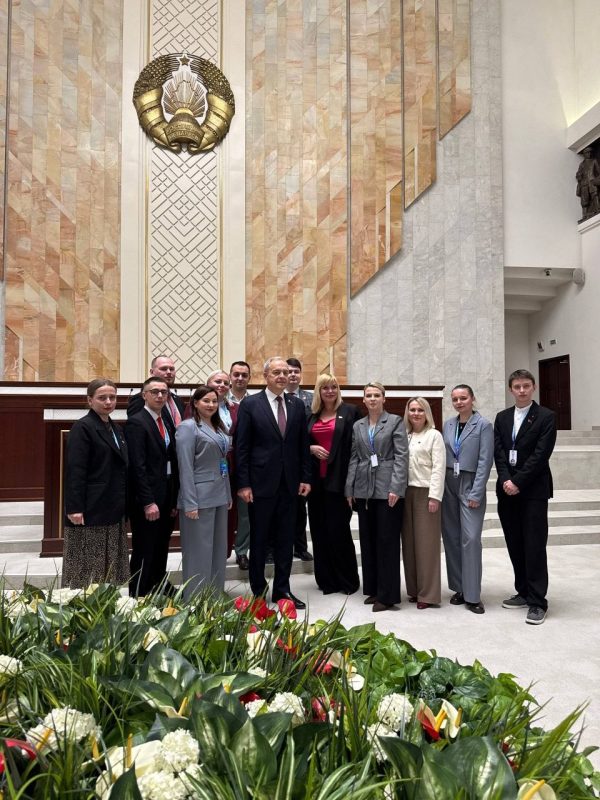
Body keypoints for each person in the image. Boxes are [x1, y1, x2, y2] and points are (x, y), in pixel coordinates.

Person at [236, 356, 312, 609]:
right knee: (259, 539)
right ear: (265, 376)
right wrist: (244, 484)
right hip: (259, 485)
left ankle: (282, 590)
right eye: (276, 372)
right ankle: (258, 591)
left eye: (285, 372)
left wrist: (305, 477)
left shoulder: (297, 405)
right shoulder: (250, 404)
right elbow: (242, 447)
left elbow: (302, 445)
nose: (282, 376)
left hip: (290, 484)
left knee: (285, 540)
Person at [494, 369, 557, 625]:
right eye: (517, 386)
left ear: (534, 388)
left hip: (533, 491)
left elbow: (541, 454)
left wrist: (517, 481)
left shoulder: (546, 416)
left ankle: (538, 601)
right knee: (515, 543)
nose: (522, 390)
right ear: (510, 389)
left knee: (534, 545)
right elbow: (499, 452)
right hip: (506, 490)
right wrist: (506, 480)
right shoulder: (502, 417)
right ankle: (522, 591)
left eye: (526, 386)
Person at [345, 382, 408, 612]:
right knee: (368, 541)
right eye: (368, 395)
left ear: (384, 398)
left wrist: (396, 487)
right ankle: (373, 589)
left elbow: (401, 456)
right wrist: (350, 488)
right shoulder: (358, 425)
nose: (372, 399)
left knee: (387, 542)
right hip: (363, 489)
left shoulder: (394, 422)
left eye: (376, 395)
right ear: (363, 399)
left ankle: (388, 595)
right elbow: (354, 457)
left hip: (386, 488)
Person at [63, 379, 130, 587]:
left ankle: (107, 602)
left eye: (112, 397)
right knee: (88, 565)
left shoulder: (115, 428)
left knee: (110, 565)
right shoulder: (83, 427)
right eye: (102, 398)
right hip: (91, 508)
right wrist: (74, 507)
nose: (108, 402)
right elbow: (75, 470)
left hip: (113, 505)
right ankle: (83, 604)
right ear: (90, 400)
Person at [125, 377, 179, 597]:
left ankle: (157, 585)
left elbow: (172, 460)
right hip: (147, 498)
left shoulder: (165, 421)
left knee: (161, 545)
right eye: (154, 391)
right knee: (144, 547)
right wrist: (148, 502)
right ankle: (138, 593)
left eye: (164, 392)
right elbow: (137, 467)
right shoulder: (136, 422)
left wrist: (173, 499)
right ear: (144, 395)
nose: (159, 396)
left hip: (166, 493)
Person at [176, 386, 232, 598]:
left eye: (214, 401)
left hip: (219, 495)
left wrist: (227, 494)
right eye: (206, 401)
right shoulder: (188, 427)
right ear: (195, 403)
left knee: (218, 552)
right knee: (199, 553)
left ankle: (214, 599)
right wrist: (190, 503)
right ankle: (195, 602)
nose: (210, 405)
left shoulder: (218, 427)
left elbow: (222, 463)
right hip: (198, 498)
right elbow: (185, 467)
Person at [442, 385, 494, 614]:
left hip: (470, 482)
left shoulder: (483, 425)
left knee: (471, 539)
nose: (459, 402)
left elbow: (485, 461)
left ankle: (473, 595)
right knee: (452, 537)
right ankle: (459, 588)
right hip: (448, 482)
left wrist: (477, 492)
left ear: (473, 399)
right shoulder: (448, 424)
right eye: (455, 399)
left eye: (463, 398)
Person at [308, 374, 361, 595]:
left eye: (334, 387)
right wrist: (310, 448)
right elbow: (300, 442)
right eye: (325, 388)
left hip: (339, 482)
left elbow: (358, 447)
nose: (330, 391)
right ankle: (326, 581)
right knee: (319, 532)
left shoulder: (350, 411)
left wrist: (353, 484)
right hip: (315, 483)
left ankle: (347, 581)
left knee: (339, 532)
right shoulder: (311, 414)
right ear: (319, 391)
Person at [401, 397, 445, 610]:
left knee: (426, 545)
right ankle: (414, 589)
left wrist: (435, 496)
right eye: (412, 410)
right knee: (409, 545)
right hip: (405, 493)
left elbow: (439, 467)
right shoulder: (405, 435)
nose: (416, 414)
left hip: (426, 493)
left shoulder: (434, 435)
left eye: (420, 410)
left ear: (426, 412)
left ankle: (428, 594)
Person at [285, 357, 314, 562]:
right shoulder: (273, 398)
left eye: (296, 371)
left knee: (300, 508)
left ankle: (300, 547)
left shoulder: (311, 399)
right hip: (279, 461)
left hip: (303, 459)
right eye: (289, 371)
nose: (292, 375)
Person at [229, 361, 252, 571]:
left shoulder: (255, 402)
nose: (240, 378)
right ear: (230, 376)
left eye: (244, 375)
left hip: (247, 465)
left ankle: (242, 551)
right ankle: (220, 550)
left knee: (245, 513)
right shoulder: (218, 400)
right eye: (236, 374)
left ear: (249, 378)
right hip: (222, 466)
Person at [127, 355, 185, 431]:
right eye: (163, 369)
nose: (169, 372)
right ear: (152, 372)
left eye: (171, 369)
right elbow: (136, 428)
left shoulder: (178, 400)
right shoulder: (141, 398)